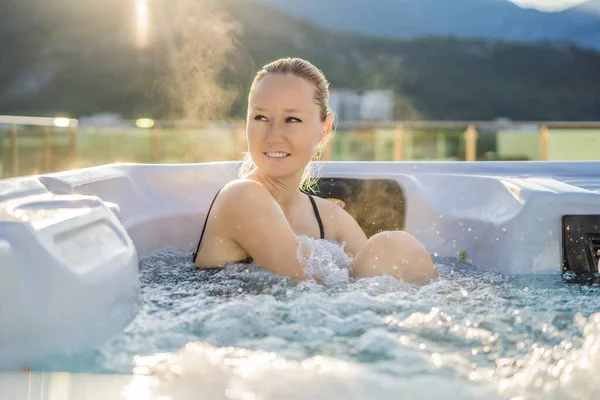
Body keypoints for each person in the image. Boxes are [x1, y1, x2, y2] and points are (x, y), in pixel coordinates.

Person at [193, 57, 438, 283]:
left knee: (395, 245)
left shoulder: (331, 219)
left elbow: (362, 289)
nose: (273, 136)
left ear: (324, 128)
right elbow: (307, 286)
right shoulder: (241, 197)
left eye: (292, 120)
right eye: (261, 118)